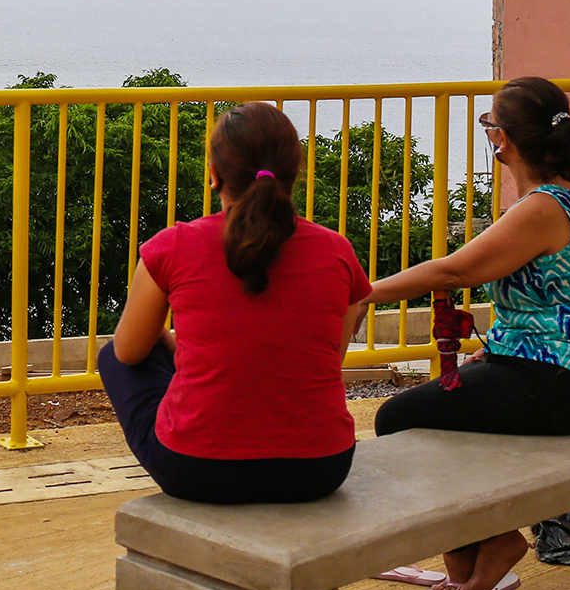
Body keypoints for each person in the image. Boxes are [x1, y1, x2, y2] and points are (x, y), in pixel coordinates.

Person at [366, 76, 570, 590]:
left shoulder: (542, 207)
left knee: (396, 419)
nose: (489, 134)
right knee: (440, 412)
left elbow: (453, 272)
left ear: (502, 141)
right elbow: (543, 303)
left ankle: (498, 541)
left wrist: (362, 291)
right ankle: (464, 564)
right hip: (562, 371)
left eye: (490, 125)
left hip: (563, 383)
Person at [98, 102, 371, 505]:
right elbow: (325, 356)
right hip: (319, 467)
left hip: (197, 469)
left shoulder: (173, 246)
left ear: (214, 173)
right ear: (293, 173)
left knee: (112, 356)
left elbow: (129, 349)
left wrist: (174, 338)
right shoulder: (337, 251)